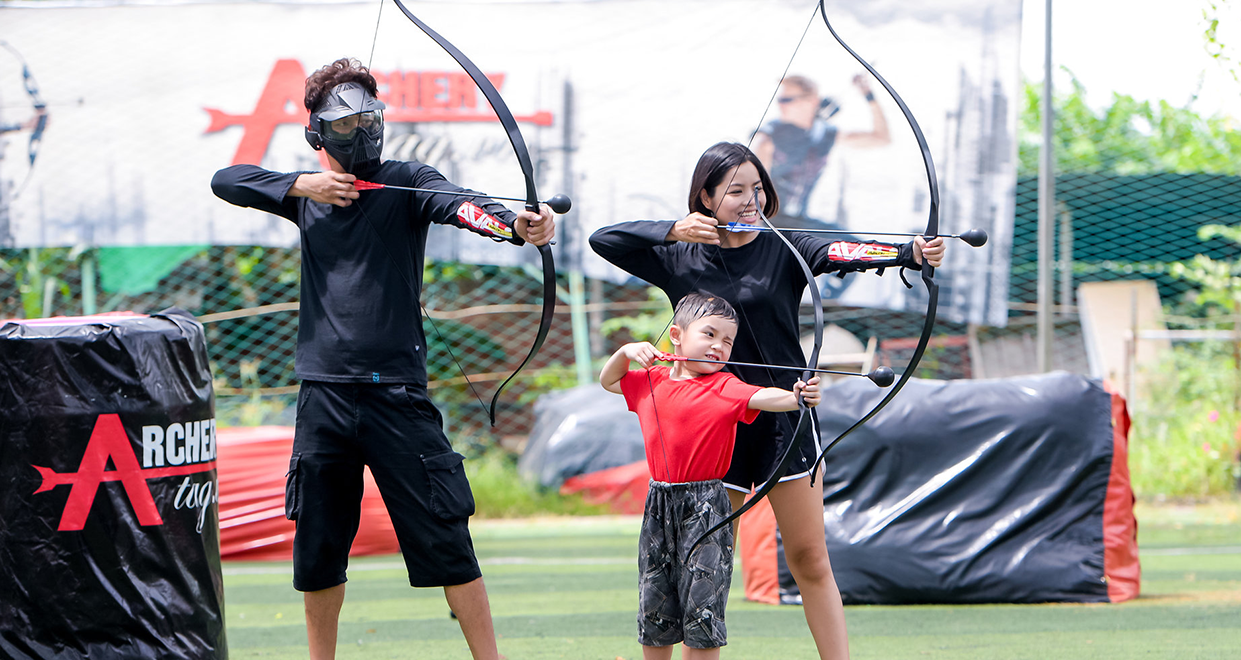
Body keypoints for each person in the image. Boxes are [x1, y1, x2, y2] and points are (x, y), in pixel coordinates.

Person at [210, 58, 556, 660]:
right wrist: (302, 185)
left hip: (395, 393)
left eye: (370, 117)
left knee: (446, 535)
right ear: (317, 133)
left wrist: (519, 228)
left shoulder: (406, 179)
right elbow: (226, 177)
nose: (361, 132)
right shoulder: (310, 197)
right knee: (318, 545)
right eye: (344, 124)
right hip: (323, 395)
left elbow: (465, 207)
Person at [590, 142, 945, 660]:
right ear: (706, 197)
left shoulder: (786, 246)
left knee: (809, 558)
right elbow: (606, 240)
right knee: (700, 565)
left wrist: (906, 252)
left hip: (784, 415)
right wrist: (673, 229)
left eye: (757, 188)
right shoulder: (678, 257)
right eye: (735, 191)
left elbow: (844, 251)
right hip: (717, 428)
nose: (751, 199)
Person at [600, 291, 822, 660]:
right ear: (676, 336)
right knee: (655, 603)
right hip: (659, 504)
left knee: (703, 609)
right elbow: (609, 381)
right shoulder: (650, 381)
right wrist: (625, 352)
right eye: (709, 334)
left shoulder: (725, 386)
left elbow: (762, 397)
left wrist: (797, 396)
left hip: (707, 507)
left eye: (728, 341)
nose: (719, 347)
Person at [752, 74, 889, 229]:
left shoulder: (825, 133)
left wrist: (869, 95)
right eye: (779, 100)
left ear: (812, 101)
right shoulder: (767, 138)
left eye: (787, 100)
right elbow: (752, 194)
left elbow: (881, 138)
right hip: (769, 224)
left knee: (854, 245)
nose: (780, 105)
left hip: (800, 222)